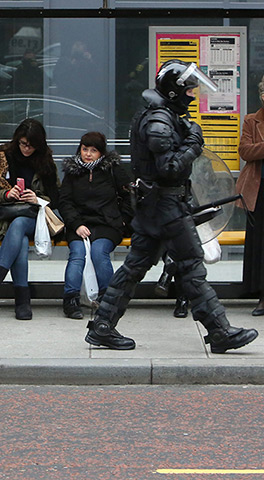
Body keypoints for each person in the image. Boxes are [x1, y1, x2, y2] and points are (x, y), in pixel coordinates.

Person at [85, 59, 258, 353]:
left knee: (135, 266)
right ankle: (219, 331)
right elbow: (168, 167)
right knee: (191, 266)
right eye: (190, 90)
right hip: (165, 206)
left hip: (156, 206)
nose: (193, 95)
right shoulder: (160, 121)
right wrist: (193, 144)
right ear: (174, 91)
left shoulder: (160, 115)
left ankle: (103, 325)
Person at [0, 118, 60, 320]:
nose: (27, 149)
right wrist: (7, 195)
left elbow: (57, 199)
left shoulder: (45, 162)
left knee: (20, 225)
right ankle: (22, 302)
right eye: (23, 144)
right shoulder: (0, 158)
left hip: (37, 218)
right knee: (20, 240)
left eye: (32, 145)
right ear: (17, 140)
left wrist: (37, 198)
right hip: (6, 216)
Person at [58, 132, 134, 319]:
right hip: (80, 224)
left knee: (99, 252)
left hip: (107, 223)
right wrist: (76, 224)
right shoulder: (73, 172)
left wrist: (123, 219)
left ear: (101, 153)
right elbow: (65, 202)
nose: (88, 154)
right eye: (85, 149)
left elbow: (129, 196)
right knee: (77, 254)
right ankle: (71, 299)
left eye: (94, 150)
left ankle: (108, 299)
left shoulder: (112, 169)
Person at [236, 73, 264, 316]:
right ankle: (261, 296)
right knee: (259, 243)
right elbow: (244, 151)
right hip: (259, 189)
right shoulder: (251, 120)